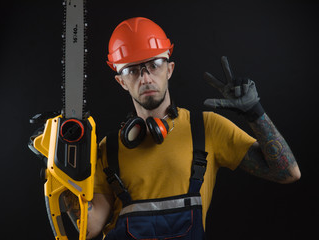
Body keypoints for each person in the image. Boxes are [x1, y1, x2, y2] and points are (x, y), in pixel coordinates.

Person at [64, 17, 300, 239]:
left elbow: (288, 173)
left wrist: (254, 113)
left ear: (170, 69)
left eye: (154, 65)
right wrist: (61, 172)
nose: (145, 78)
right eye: (132, 70)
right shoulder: (110, 148)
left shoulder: (207, 128)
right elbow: (89, 228)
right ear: (121, 81)